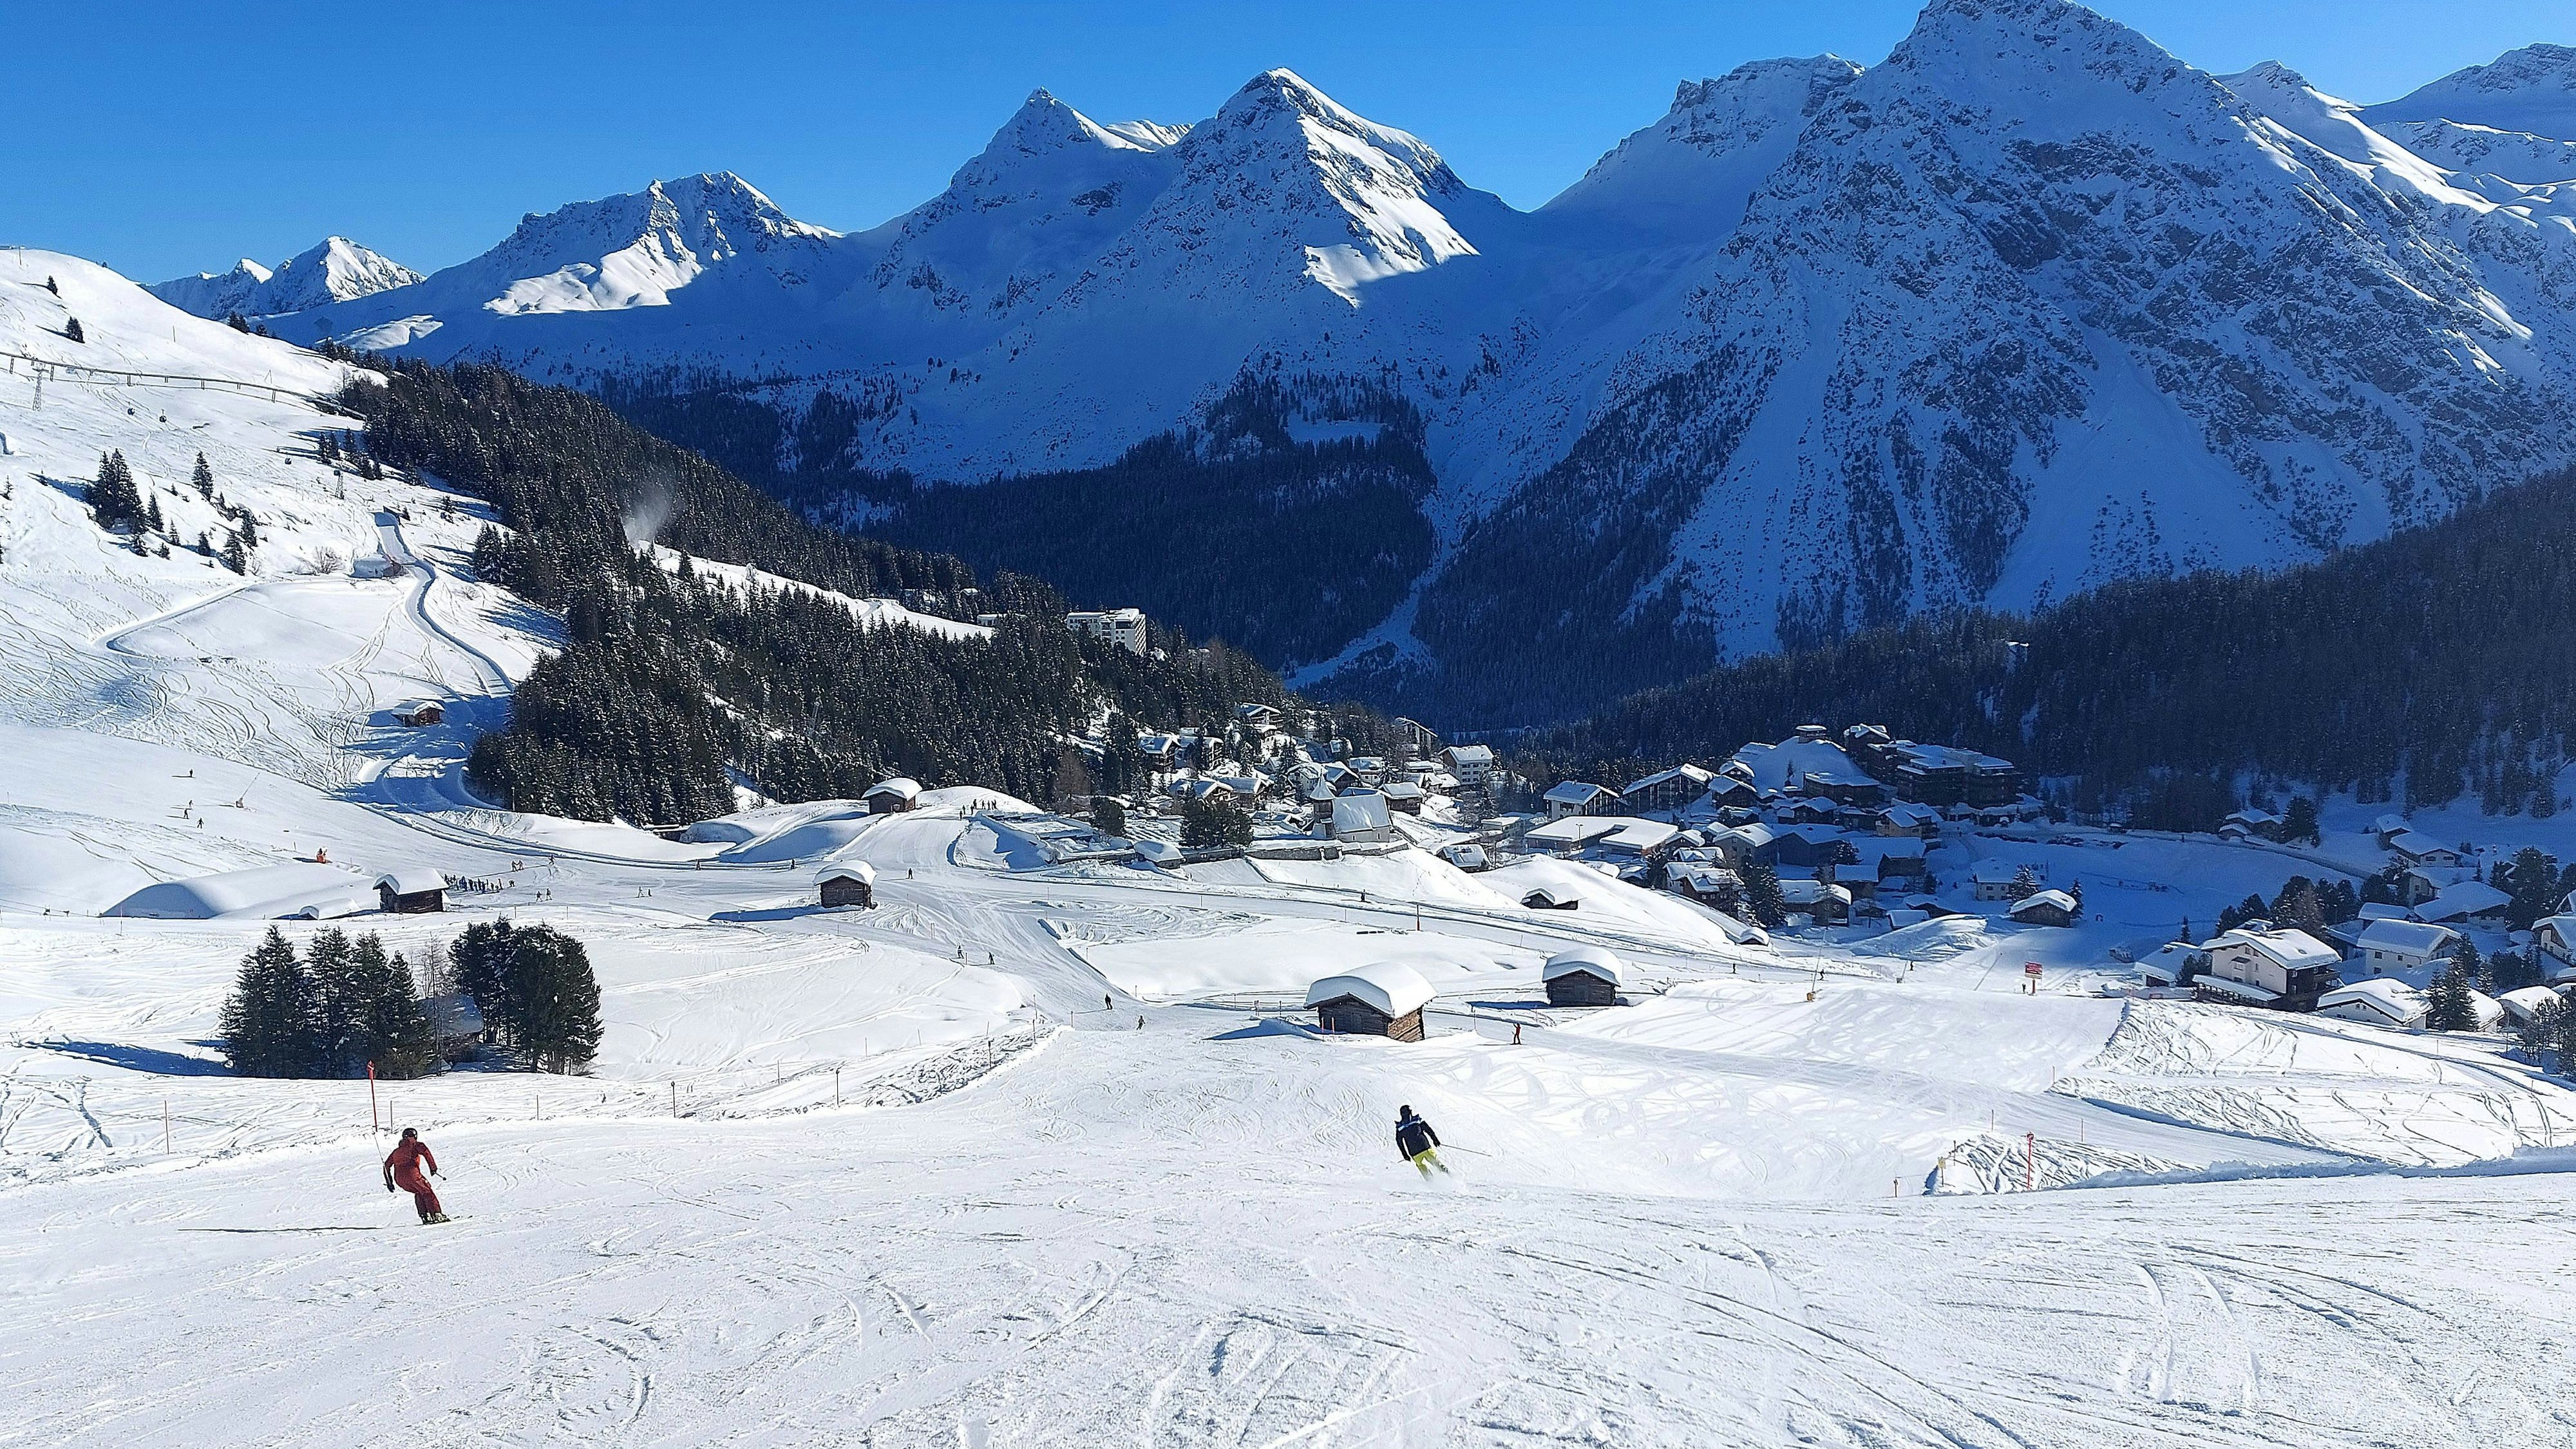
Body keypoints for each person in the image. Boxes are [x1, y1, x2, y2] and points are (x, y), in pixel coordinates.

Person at [383, 1127, 448, 1224]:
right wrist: (433, 1168)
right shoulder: (415, 1145)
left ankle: (425, 1216)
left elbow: (386, 1166)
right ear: (415, 1136)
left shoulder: (396, 1151)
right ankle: (437, 1215)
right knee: (427, 1191)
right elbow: (426, 1152)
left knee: (419, 1192)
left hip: (399, 1179)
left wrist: (390, 1183)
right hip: (412, 1174)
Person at [1395, 1104, 1448, 1179]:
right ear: (1410, 1112)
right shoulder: (1417, 1120)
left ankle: (1431, 1182)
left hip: (1414, 1153)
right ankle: (1450, 1176)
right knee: (1436, 1163)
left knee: (1421, 1166)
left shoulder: (1400, 1127)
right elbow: (1428, 1130)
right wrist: (1435, 1140)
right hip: (1425, 1147)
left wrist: (1405, 1155)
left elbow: (1400, 1142)